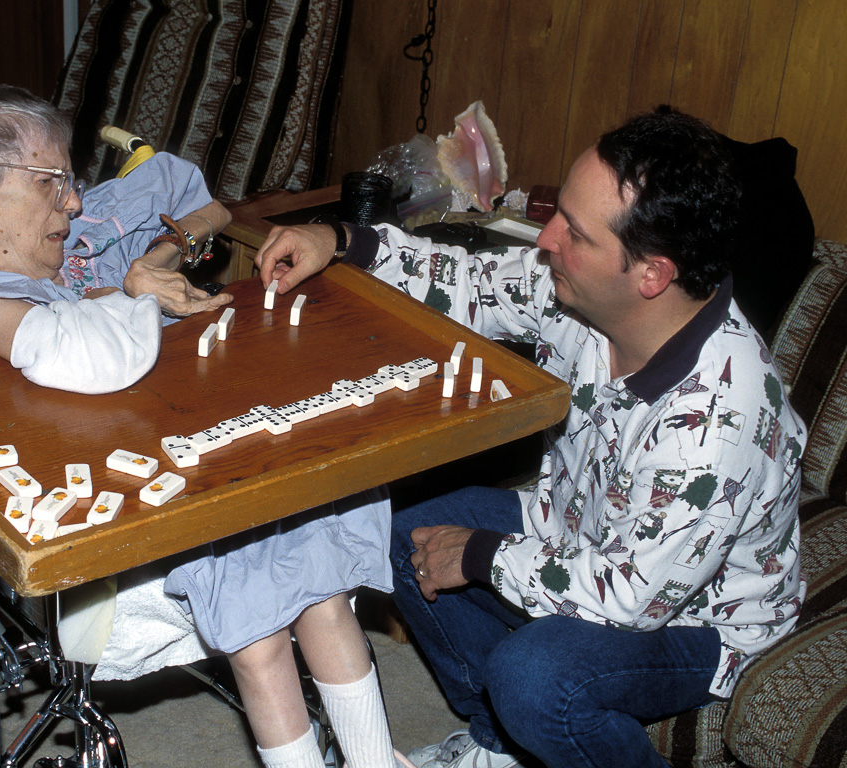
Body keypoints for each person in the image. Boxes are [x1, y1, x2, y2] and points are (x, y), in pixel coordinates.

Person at [0, 76, 411, 768]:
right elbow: (77, 353)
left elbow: (196, 202)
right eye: (52, 183)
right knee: (265, 619)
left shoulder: (57, 238)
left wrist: (157, 255)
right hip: (108, 516)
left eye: (72, 182)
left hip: (179, 442)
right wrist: (130, 289)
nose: (73, 202)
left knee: (318, 566)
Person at [254, 106, 807, 768]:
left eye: (574, 232)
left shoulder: (721, 422)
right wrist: (342, 239)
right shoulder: (581, 291)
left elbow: (627, 598)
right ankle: (499, 747)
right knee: (388, 528)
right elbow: (466, 281)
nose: (545, 239)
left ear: (652, 274)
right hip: (575, 527)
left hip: (697, 622)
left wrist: (485, 554)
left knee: (535, 677)